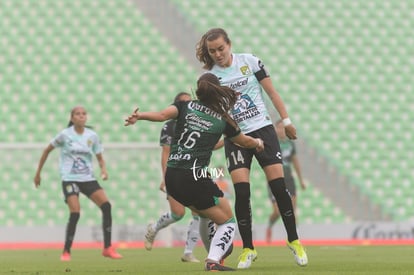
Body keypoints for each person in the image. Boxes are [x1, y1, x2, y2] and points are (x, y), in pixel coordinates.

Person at [124, 73, 264, 271]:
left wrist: (140, 116)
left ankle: (211, 255)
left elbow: (162, 115)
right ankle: (214, 259)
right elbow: (244, 142)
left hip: (173, 176)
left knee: (204, 215)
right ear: (217, 91)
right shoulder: (224, 120)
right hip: (194, 177)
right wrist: (258, 143)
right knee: (228, 221)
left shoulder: (185, 106)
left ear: (199, 89)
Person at [196, 27, 308, 268]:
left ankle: (294, 240)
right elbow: (217, 114)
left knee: (279, 187)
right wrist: (215, 141)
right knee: (242, 192)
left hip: (263, 129)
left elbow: (272, 92)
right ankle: (248, 248)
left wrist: (286, 121)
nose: (217, 54)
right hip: (236, 136)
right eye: (212, 51)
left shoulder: (250, 61)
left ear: (229, 44)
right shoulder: (211, 77)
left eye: (221, 49)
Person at [33, 106, 122, 261]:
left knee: (106, 206)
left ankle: (107, 248)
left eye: (84, 114)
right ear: (72, 118)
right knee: (75, 212)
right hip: (70, 178)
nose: (81, 116)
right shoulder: (65, 135)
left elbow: (99, 157)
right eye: (78, 114)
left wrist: (104, 170)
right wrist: (38, 173)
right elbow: (47, 150)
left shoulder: (92, 136)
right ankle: (66, 251)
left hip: (88, 178)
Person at [145, 92, 201, 263]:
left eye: (189, 103)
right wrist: (166, 178)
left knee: (199, 212)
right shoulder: (169, 126)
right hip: (175, 173)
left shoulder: (197, 124)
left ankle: (188, 252)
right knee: (178, 213)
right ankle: (154, 228)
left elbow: (210, 147)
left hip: (194, 172)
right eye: (183, 103)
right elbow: (166, 154)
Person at [266, 119, 307, 243]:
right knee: (278, 211)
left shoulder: (290, 143)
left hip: (289, 178)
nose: (281, 131)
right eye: (278, 128)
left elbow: (295, 161)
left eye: (283, 128)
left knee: (292, 208)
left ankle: (295, 237)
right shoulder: (272, 143)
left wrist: (301, 180)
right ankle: (270, 226)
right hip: (275, 177)